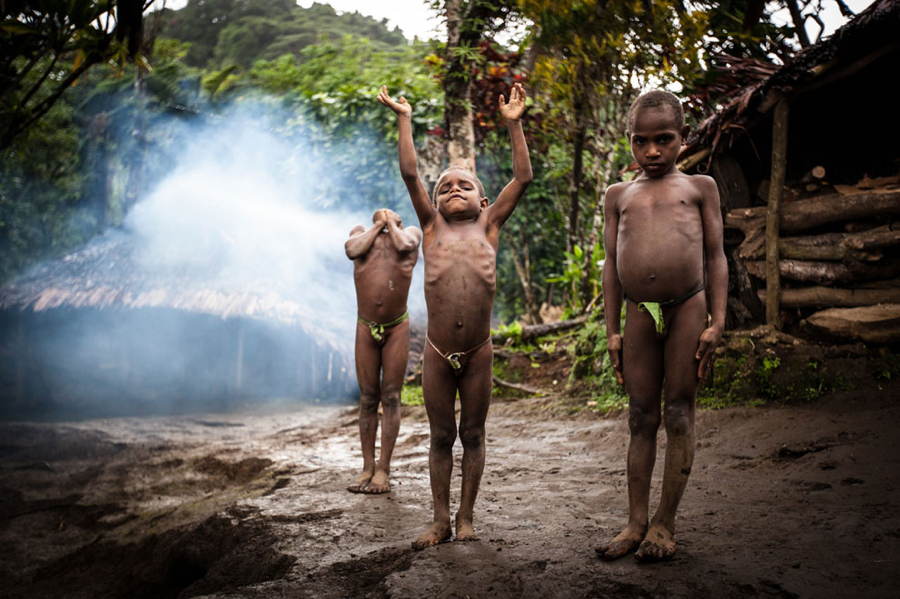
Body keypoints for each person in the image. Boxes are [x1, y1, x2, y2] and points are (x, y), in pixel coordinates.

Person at [377, 83, 532, 548]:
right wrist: (405, 118)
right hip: (439, 354)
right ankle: (440, 519)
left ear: (484, 202)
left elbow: (522, 178)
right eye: (445, 188)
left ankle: (466, 518)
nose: (454, 190)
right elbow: (410, 174)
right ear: (435, 202)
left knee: (474, 434)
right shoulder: (430, 227)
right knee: (442, 436)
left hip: (479, 352)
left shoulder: (490, 225)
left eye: (465, 185)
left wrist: (514, 125)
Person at [597, 90, 727, 562]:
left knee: (678, 410)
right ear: (629, 140)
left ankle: (664, 524)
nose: (651, 151)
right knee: (640, 415)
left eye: (664, 139)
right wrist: (612, 330)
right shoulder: (619, 195)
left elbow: (716, 256)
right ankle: (635, 522)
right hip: (638, 312)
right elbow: (611, 267)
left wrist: (718, 320)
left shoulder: (699, 187)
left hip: (686, 306)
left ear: (683, 137)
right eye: (641, 141)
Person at [345, 208, 422, 494]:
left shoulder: (410, 233)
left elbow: (405, 244)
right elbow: (352, 250)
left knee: (391, 396)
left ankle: (383, 469)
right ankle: (367, 466)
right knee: (368, 397)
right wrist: (379, 226)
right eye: (381, 216)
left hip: (396, 326)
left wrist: (389, 222)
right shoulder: (360, 234)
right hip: (366, 326)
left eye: (392, 217)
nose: (387, 217)